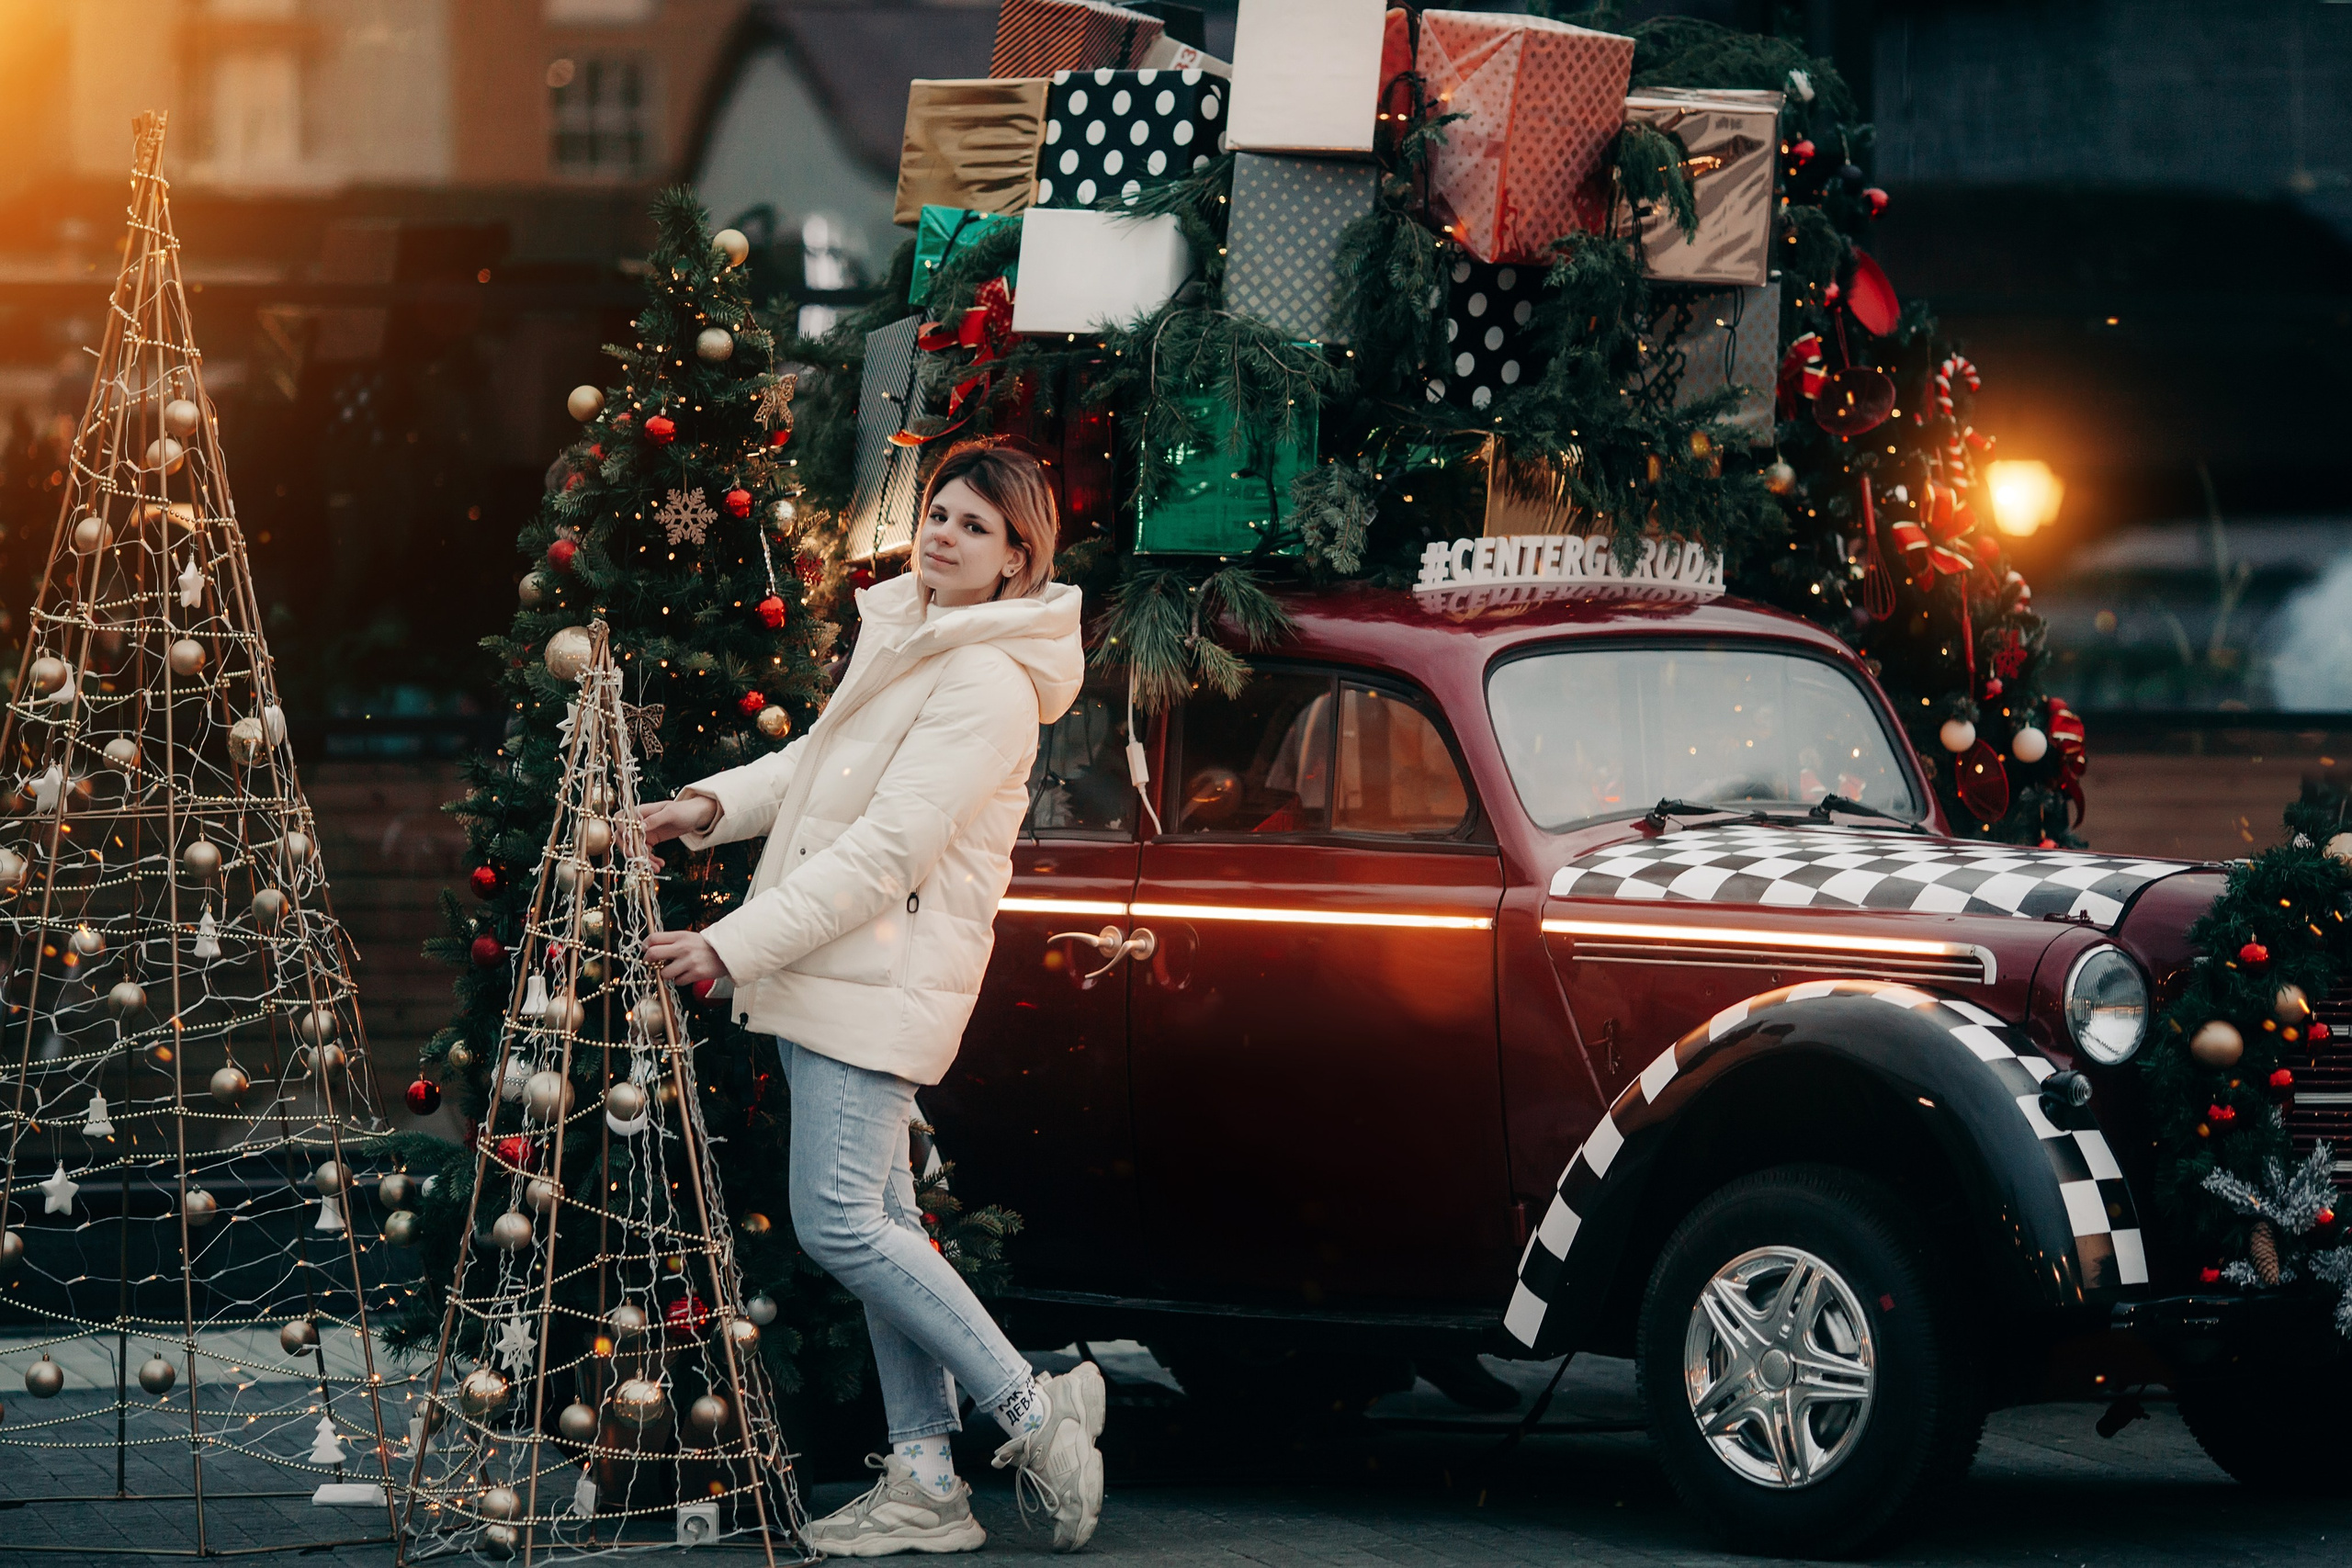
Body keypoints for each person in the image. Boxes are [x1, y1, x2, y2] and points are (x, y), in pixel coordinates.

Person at [639, 443, 1099, 1556]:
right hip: (837, 973)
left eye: (974, 527)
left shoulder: (985, 679)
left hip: (875, 977)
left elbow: (887, 852)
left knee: (842, 1224)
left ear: (1018, 560)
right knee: (884, 1226)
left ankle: (1034, 1416)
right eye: (937, 513)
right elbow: (814, 771)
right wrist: (700, 808)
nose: (942, 534)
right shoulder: (914, 637)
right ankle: (928, 1481)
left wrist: (728, 946)